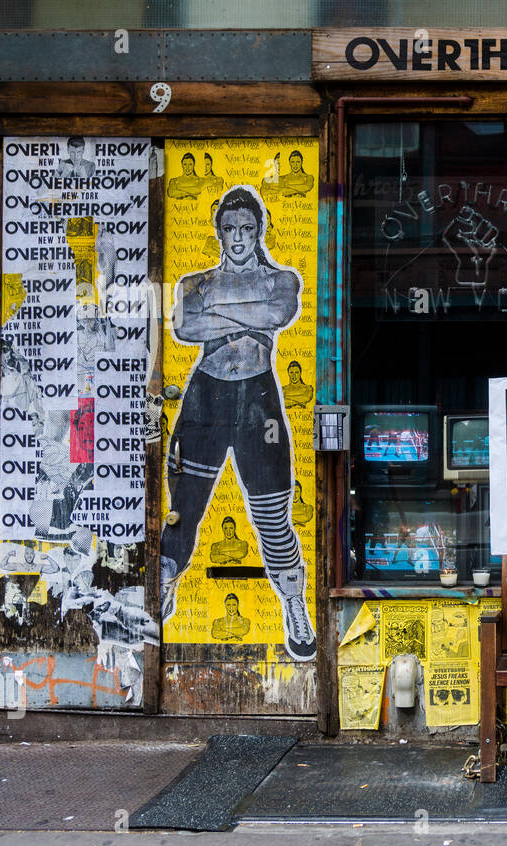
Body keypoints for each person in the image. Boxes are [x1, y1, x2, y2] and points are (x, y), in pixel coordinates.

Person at [160, 185, 316, 661]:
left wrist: (220, 315)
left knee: (272, 515)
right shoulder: (195, 283)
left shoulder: (281, 279)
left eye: (247, 228)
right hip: (205, 396)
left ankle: (293, 603)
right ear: (219, 232)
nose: (239, 237)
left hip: (258, 397)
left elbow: (280, 312)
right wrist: (246, 320)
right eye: (230, 229)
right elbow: (185, 327)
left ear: (260, 230)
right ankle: (164, 586)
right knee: (183, 505)